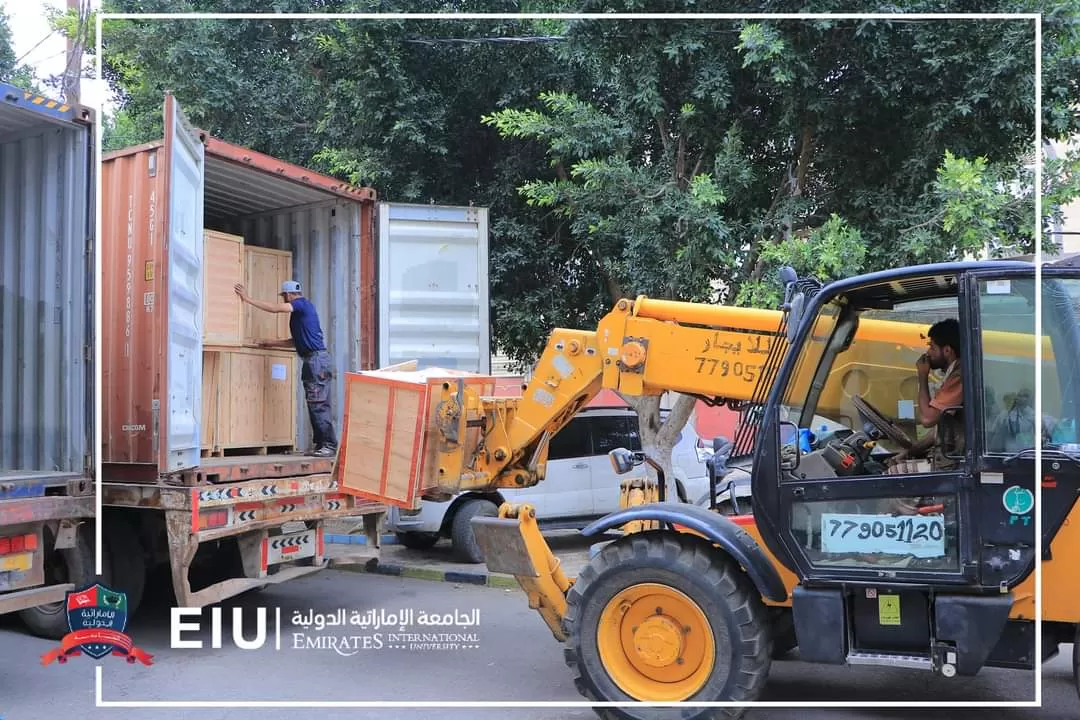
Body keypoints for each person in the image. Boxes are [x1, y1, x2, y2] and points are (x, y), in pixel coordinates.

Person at [234, 280, 337, 458]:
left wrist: (247, 299)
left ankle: (329, 445)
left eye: (284, 297)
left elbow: (275, 309)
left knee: (318, 404)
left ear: (289, 295)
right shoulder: (302, 314)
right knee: (315, 403)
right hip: (313, 360)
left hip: (316, 361)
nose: (284, 299)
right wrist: (270, 343)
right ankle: (322, 445)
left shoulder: (301, 304)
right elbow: (296, 342)